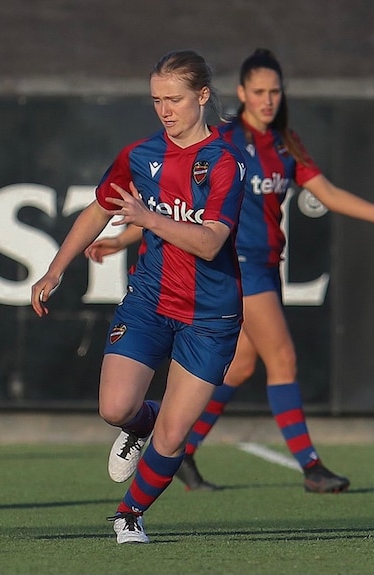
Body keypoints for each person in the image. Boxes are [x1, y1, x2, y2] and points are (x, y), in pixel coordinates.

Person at [85, 48, 374, 495]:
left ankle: (184, 449)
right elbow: (178, 205)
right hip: (230, 267)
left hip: (266, 266)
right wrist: (125, 237)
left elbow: (329, 193)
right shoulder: (223, 139)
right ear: (240, 93)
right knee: (282, 358)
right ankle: (311, 466)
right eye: (258, 91)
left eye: (275, 91)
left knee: (240, 367)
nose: (267, 100)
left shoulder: (285, 143)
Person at [31, 50, 245, 543]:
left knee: (174, 435)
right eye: (156, 100)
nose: (165, 110)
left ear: (203, 96)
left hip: (210, 316)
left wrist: (148, 219)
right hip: (150, 300)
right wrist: (55, 269)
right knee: (115, 408)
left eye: (175, 99)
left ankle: (129, 515)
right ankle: (139, 424)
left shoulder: (224, 162)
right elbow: (97, 209)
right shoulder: (140, 155)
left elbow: (211, 241)